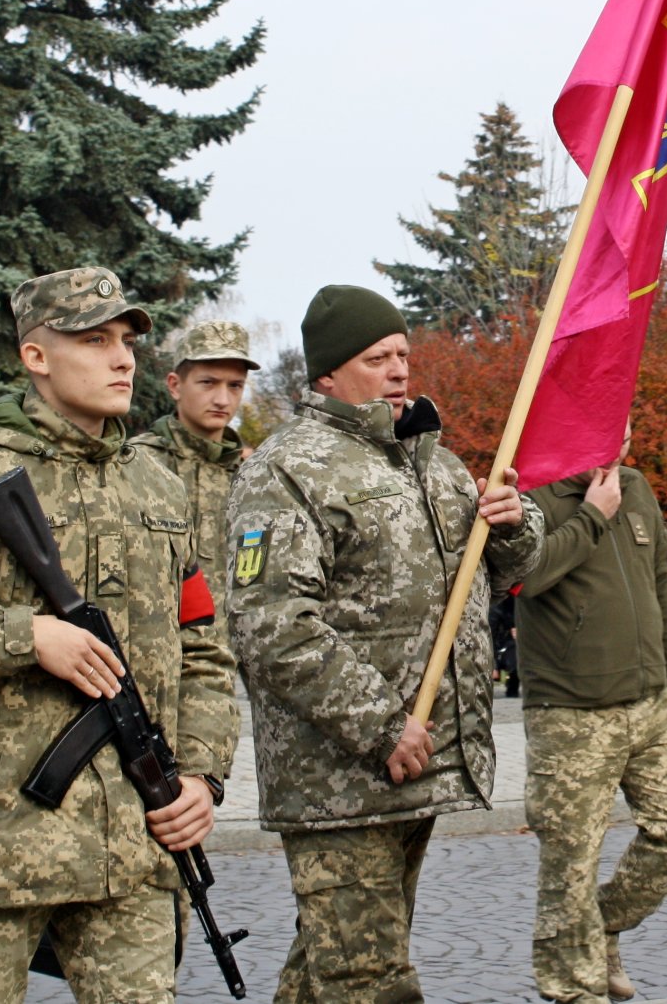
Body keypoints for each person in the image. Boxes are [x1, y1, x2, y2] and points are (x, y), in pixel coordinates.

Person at [0, 266, 240, 1003]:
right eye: (95, 339)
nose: (122, 358)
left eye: (127, 340)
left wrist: (202, 775)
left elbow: (204, 649)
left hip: (135, 842)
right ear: (36, 355)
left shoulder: (155, 486)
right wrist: (26, 635)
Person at [224, 284, 545, 1003]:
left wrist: (515, 521)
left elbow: (500, 576)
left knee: (329, 969)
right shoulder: (285, 469)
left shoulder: (433, 461)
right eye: (377, 357)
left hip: (414, 766)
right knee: (370, 980)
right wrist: (378, 723)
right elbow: (272, 623)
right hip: (340, 777)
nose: (399, 369)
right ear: (329, 375)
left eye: (403, 353)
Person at [519, 422, 667, 1003]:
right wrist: (593, 514)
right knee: (571, 861)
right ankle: (574, 990)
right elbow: (527, 574)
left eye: (629, 413)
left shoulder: (638, 486)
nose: (623, 426)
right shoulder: (533, 494)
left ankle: (598, 928)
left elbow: (662, 591)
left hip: (650, 700)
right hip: (570, 712)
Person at [132, 318, 259, 599]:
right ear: (175, 386)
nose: (223, 400)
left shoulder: (256, 477)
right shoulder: (136, 465)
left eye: (235, 386)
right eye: (208, 383)